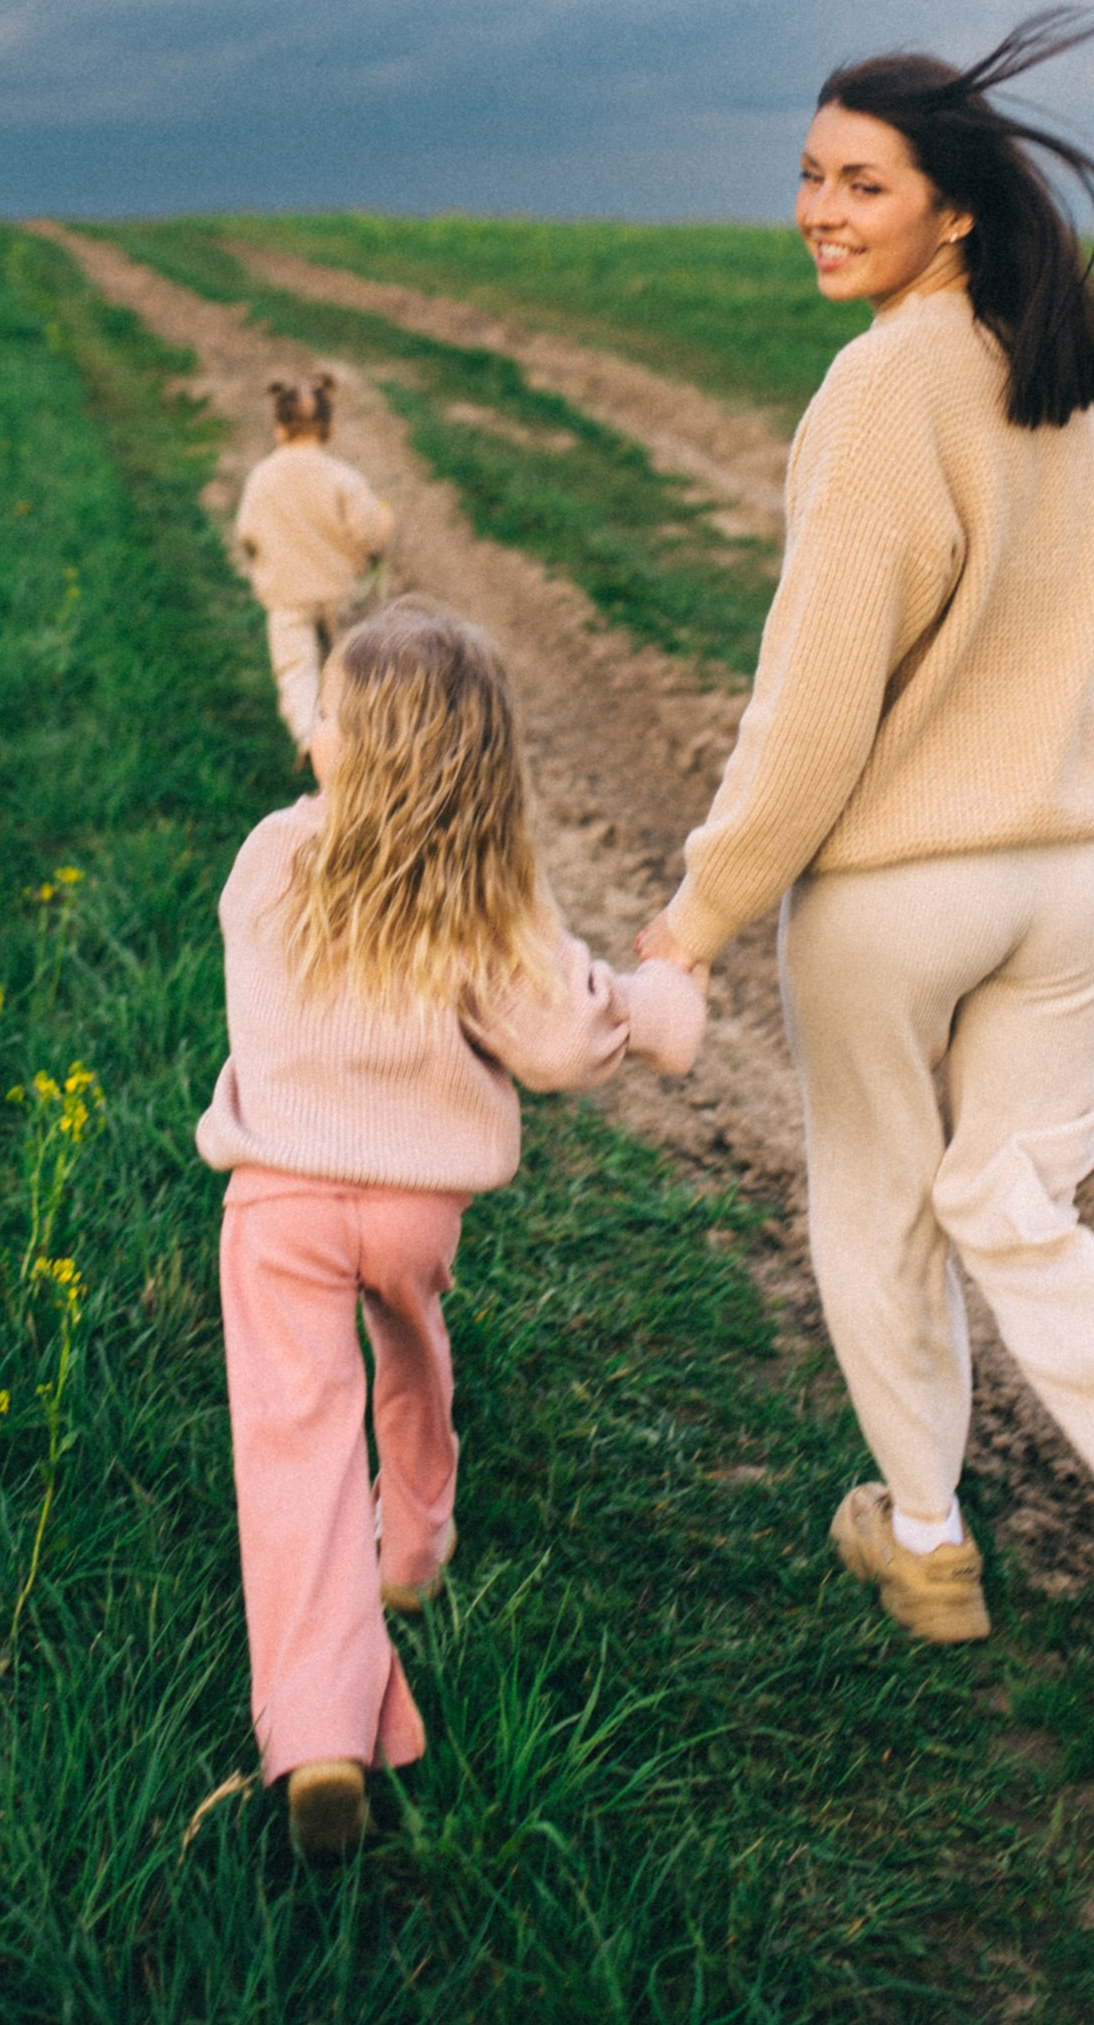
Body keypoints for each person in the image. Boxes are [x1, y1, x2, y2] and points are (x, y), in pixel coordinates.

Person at [635, 10, 1094, 1799]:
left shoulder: (879, 387)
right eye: (807, 176)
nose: (817, 211)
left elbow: (813, 709)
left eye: (861, 184)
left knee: (879, 1201)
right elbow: (1093, 632)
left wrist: (692, 922)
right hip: (1077, 867)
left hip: (905, 882)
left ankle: (924, 1538)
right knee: (1014, 1197)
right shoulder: (1042, 363)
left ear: (952, 210)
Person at [198, 600, 707, 1855]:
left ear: (359, 751)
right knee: (410, 1340)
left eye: (330, 719)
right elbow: (560, 1035)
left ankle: (319, 1731)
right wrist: (655, 1005)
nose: (312, 734)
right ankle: (415, 1542)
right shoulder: (482, 897)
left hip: (279, 1203)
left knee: (294, 1443)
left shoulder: (272, 855)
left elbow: (261, 964)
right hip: (415, 1210)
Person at [234, 372, 394, 753]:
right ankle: (361, 741)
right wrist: (384, 525)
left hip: (287, 593)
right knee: (355, 669)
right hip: (341, 590)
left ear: (278, 429)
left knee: (297, 672)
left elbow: (247, 533)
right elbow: (369, 533)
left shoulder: (261, 478)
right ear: (330, 430)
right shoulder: (344, 478)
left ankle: (311, 742)